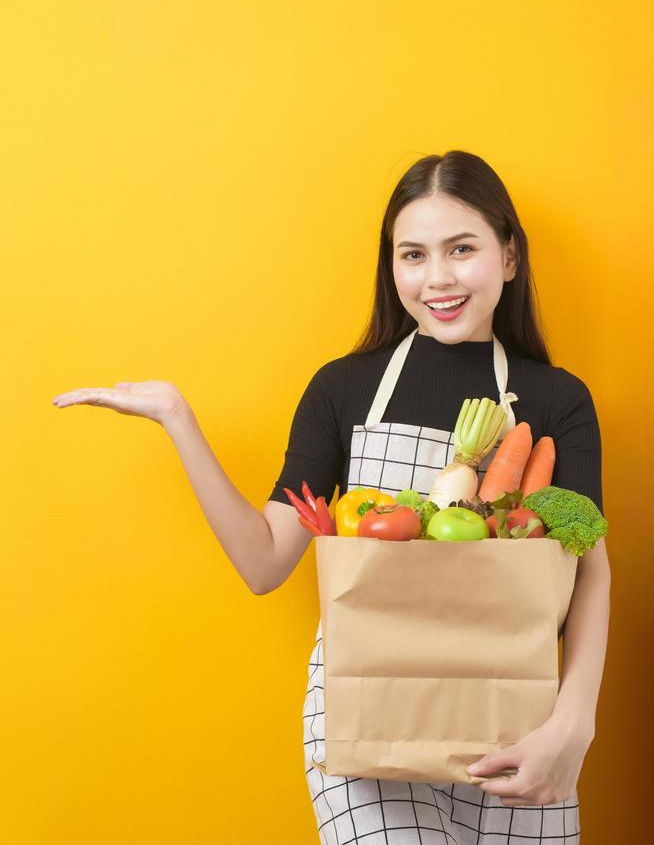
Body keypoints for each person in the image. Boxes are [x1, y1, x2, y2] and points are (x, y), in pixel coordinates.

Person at [52, 150, 611, 844]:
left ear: (508, 256)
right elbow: (264, 565)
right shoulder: (342, 390)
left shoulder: (559, 401)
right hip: (361, 715)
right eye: (412, 255)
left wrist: (572, 726)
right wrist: (178, 419)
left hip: (515, 719)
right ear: (392, 267)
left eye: (461, 249)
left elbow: (590, 570)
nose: (436, 277)